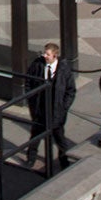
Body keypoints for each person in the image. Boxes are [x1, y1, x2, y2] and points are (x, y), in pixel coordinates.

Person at [25, 42, 74, 172]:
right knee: (35, 135)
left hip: (56, 110)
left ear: (55, 55)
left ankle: (64, 160)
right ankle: (31, 158)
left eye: (48, 54)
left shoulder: (64, 70)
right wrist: (31, 100)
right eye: (44, 53)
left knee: (59, 137)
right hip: (40, 108)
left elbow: (70, 90)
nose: (45, 56)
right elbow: (28, 81)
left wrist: (64, 107)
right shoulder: (37, 64)